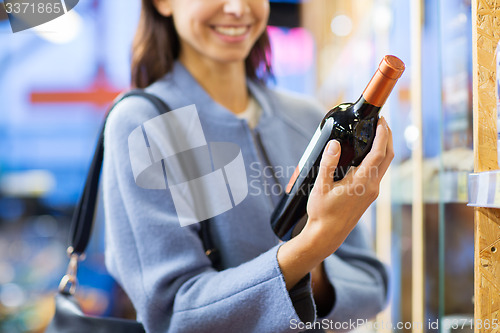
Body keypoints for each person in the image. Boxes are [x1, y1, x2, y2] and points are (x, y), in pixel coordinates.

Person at [101, 0, 393, 332]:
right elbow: (174, 315)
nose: (239, 8)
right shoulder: (146, 125)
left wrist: (315, 269)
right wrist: (313, 245)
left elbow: (372, 287)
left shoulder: (309, 119)